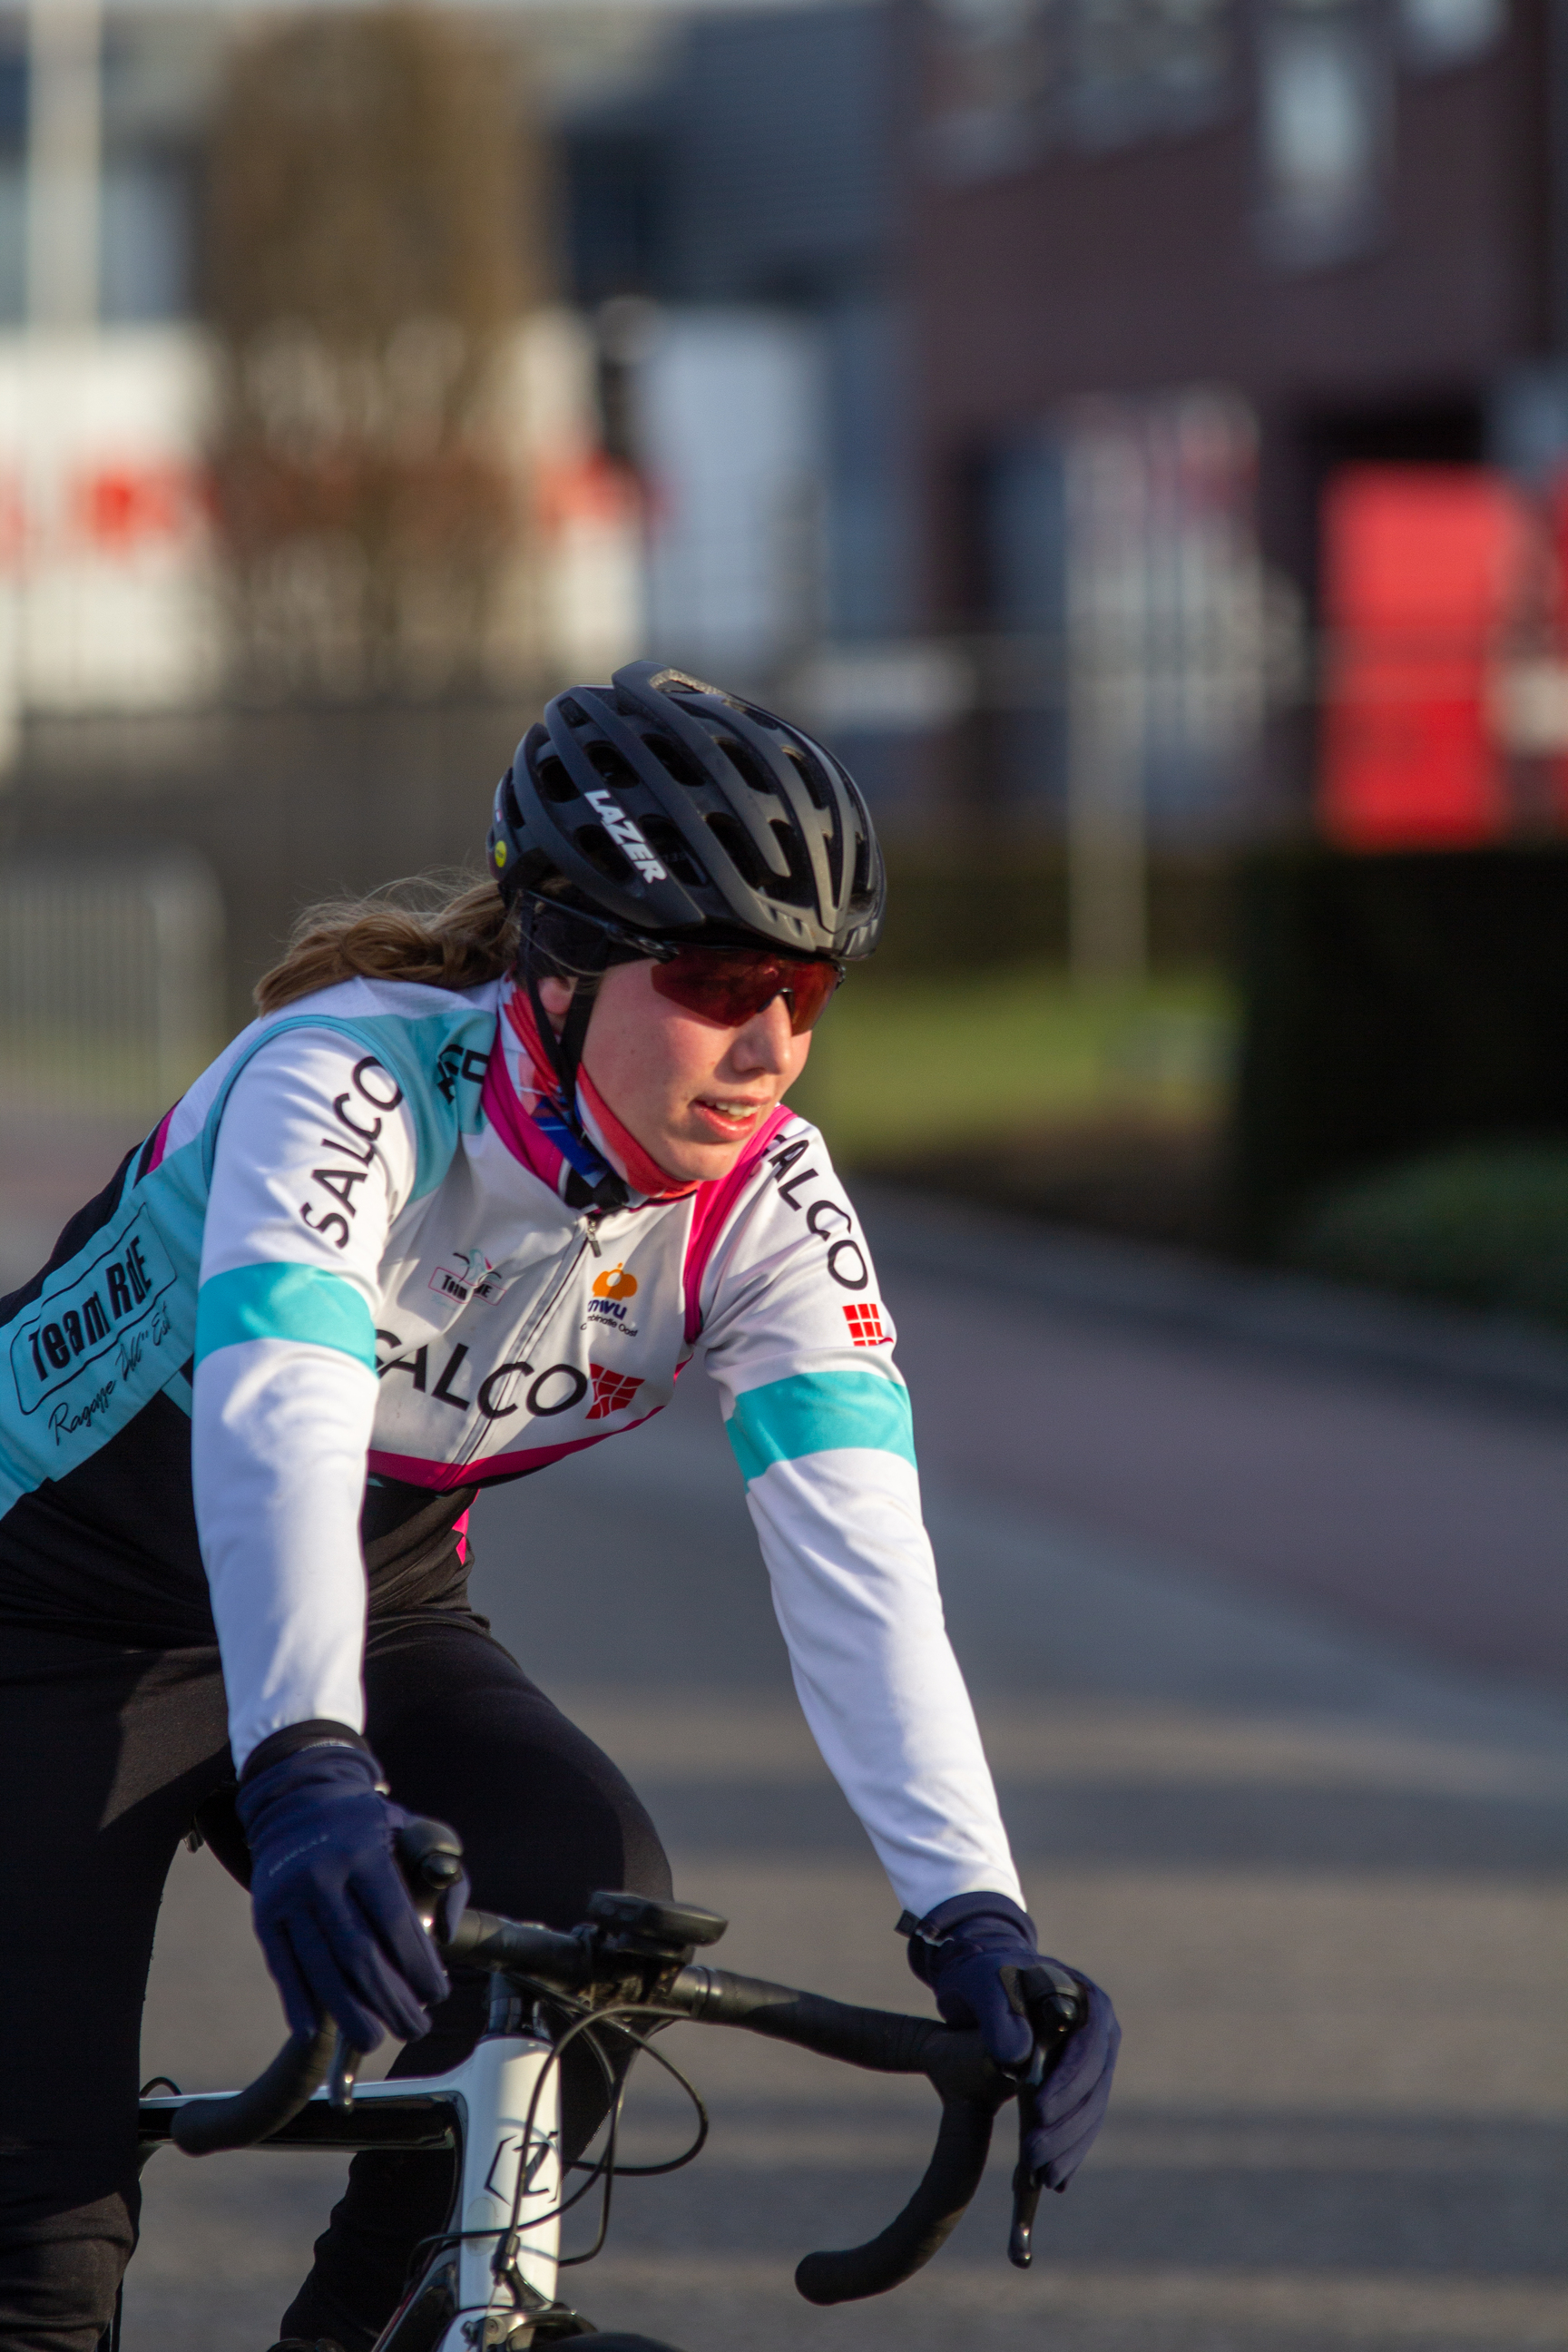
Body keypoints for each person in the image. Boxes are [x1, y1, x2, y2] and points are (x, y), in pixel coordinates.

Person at [0, 662, 1118, 2352]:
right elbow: (280, 1429)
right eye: (724, 973)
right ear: (563, 960)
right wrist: (310, 1767)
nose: (773, 1045)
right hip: (45, 1615)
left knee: (583, 1912)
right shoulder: (343, 1080)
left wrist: (973, 1912)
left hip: (371, 1603)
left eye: (811, 986)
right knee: (42, 2245)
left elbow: (866, 1573)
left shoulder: (764, 1200)